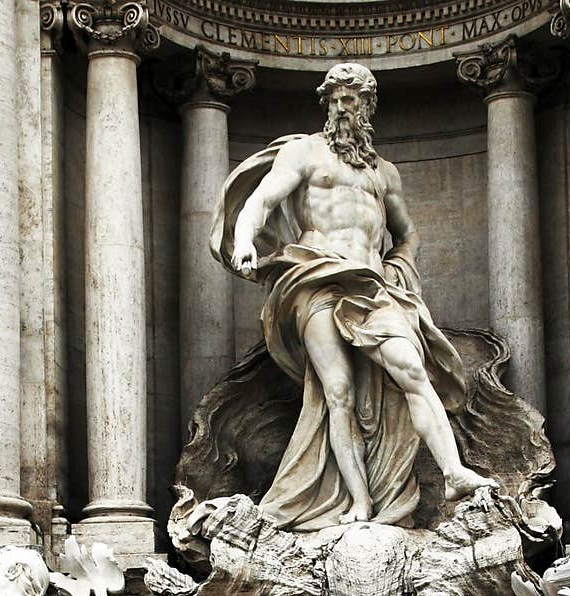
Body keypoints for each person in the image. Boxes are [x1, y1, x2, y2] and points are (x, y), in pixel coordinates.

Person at [211, 62, 494, 531]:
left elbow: (407, 234)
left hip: (371, 285)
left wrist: (399, 266)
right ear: (327, 104)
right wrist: (244, 240)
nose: (346, 107)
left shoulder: (384, 174)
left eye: (355, 99)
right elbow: (260, 201)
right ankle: (359, 503)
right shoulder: (305, 153)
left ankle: (453, 472)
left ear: (369, 107)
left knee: (412, 369)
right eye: (338, 98)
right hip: (315, 277)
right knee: (336, 391)